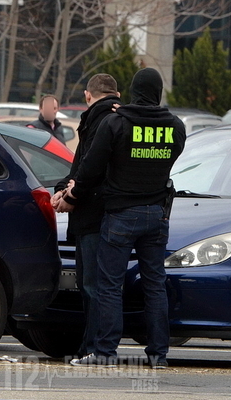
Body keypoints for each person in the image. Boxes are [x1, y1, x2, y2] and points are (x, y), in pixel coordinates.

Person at [59, 68, 186, 369]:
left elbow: (90, 169)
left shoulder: (117, 122)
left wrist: (72, 196)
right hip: (157, 214)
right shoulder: (176, 126)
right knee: (155, 285)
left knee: (109, 285)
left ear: (133, 91)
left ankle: (105, 351)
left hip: (121, 214)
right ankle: (158, 354)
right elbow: (172, 156)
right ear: (158, 93)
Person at [50, 74, 121, 358]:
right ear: (116, 94)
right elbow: (82, 167)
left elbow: (88, 168)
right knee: (102, 285)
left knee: (92, 285)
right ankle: (93, 346)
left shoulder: (96, 120)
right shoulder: (120, 118)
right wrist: (64, 188)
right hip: (111, 212)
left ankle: (94, 347)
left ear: (87, 95)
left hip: (92, 214)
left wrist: (68, 195)